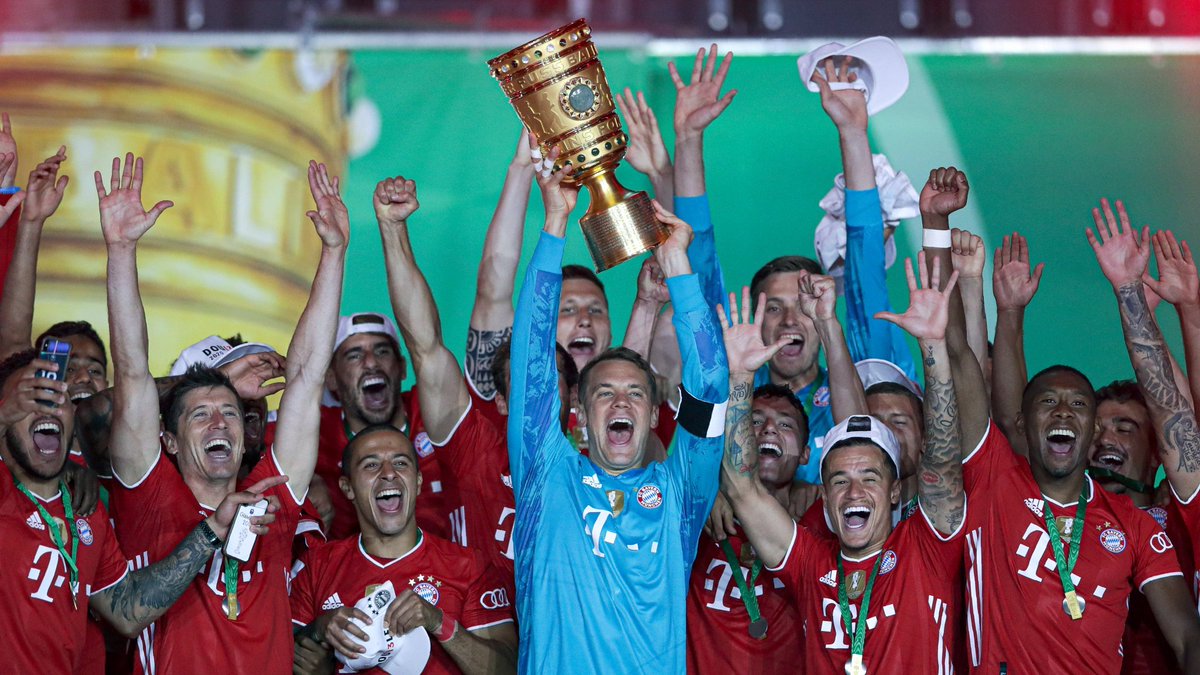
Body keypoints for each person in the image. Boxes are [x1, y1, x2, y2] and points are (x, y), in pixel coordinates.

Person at [102, 154, 343, 674]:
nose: (220, 424)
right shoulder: (148, 495)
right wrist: (121, 250)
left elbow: (305, 376)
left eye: (231, 414)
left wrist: (334, 251)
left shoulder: (271, 495)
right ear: (167, 441)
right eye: (201, 415)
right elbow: (132, 371)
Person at [507, 148, 728, 673]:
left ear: (655, 416)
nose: (622, 401)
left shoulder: (680, 493)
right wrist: (555, 223)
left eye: (635, 392)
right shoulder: (546, 474)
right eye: (604, 393)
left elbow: (712, 388)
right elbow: (532, 358)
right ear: (579, 415)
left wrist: (677, 263)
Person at [720, 247, 966, 675]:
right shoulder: (810, 561)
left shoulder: (927, 547)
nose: (853, 491)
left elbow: (943, 463)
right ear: (823, 493)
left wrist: (933, 348)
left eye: (869, 477)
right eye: (838, 480)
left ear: (893, 491)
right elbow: (743, 487)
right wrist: (741, 378)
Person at [0, 348, 286, 673]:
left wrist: (213, 531)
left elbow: (127, 613)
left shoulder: (86, 514)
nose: (45, 408)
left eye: (56, 397)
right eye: (29, 399)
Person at [750, 57, 915, 485]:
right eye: (774, 308)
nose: (790, 320)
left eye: (803, 306)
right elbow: (700, 259)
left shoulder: (859, 383)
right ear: (753, 320)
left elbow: (866, 272)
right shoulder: (734, 400)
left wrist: (853, 134)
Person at [290, 424, 518, 674]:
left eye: (400, 463)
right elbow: (278, 657)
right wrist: (319, 631)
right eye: (371, 465)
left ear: (418, 482)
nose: (389, 473)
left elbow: (507, 669)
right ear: (347, 488)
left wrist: (440, 623)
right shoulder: (316, 566)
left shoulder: (469, 566)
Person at [685, 383, 806, 674]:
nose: (768, 429)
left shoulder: (818, 525)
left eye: (785, 423)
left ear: (805, 454)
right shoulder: (695, 520)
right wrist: (705, 490)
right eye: (754, 420)